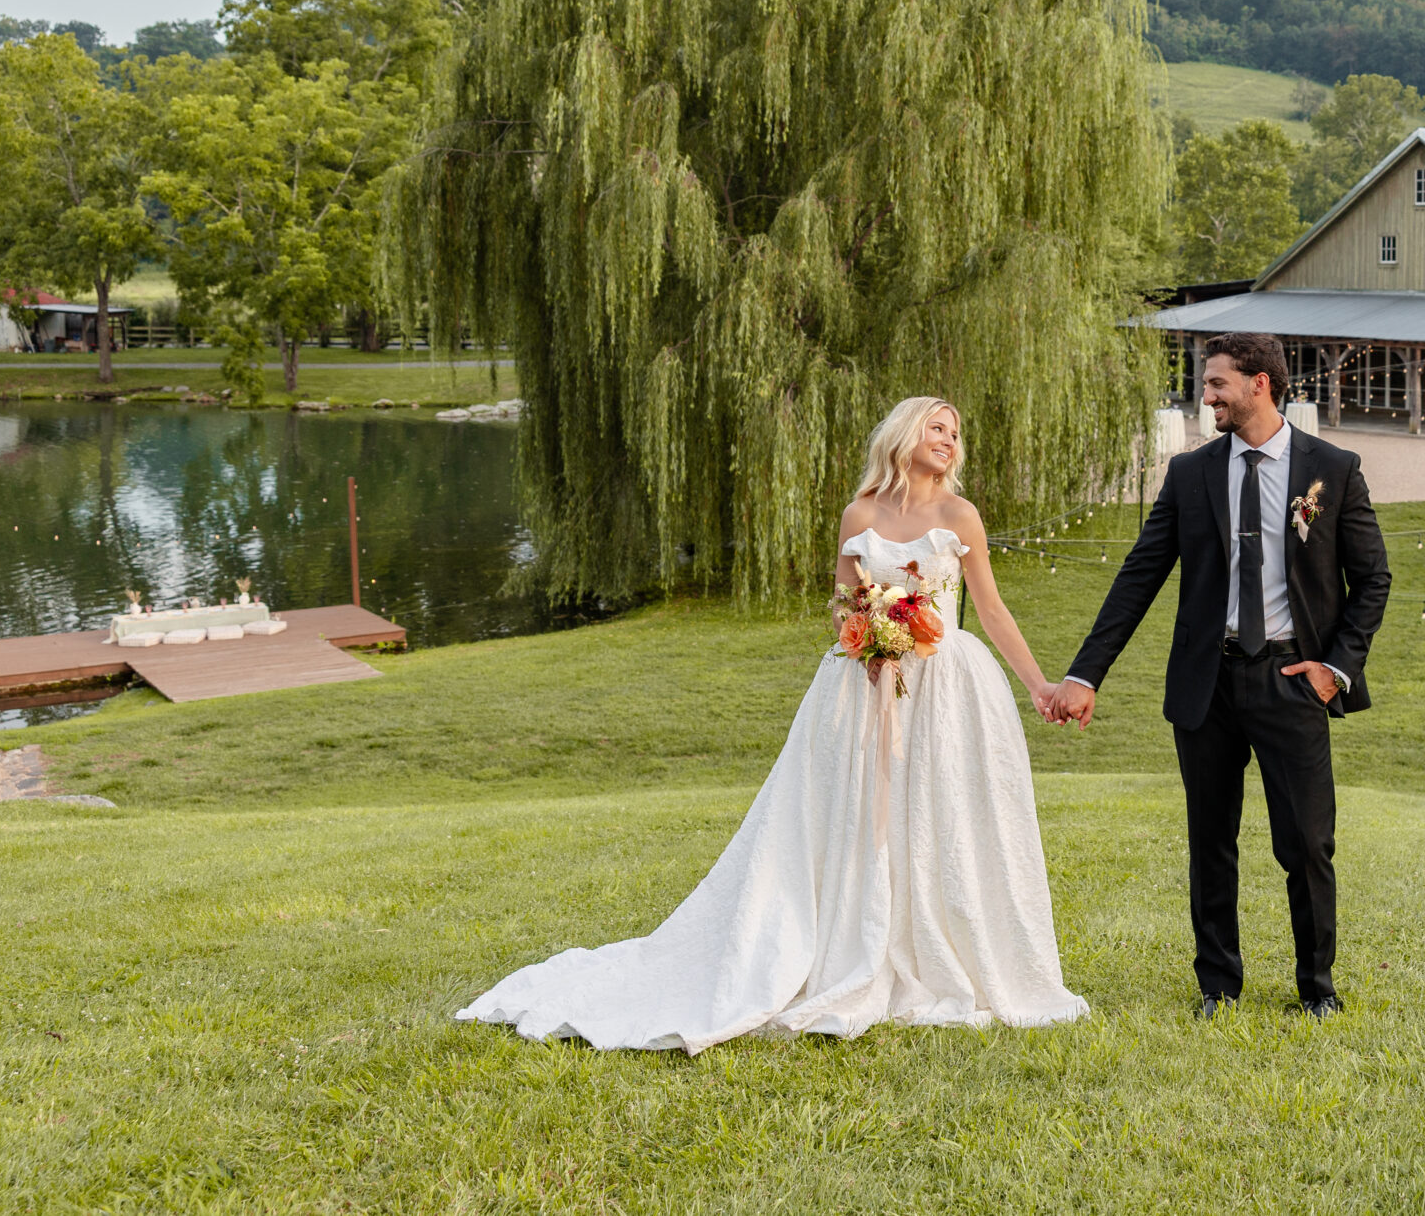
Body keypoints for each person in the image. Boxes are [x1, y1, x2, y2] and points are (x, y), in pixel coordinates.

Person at [457, 397, 1087, 1052]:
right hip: (863, 684)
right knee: (855, 813)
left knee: (936, 811)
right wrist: (870, 643)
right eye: (937, 427)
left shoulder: (961, 516)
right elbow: (843, 604)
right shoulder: (861, 513)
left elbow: (991, 609)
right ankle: (849, 940)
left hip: (944, 686)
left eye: (955, 433)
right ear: (904, 432)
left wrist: (1039, 683)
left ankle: (936, 945)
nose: (949, 440)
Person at [1049, 332, 1390, 1020]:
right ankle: (1218, 988)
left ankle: (1317, 989)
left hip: (1292, 679)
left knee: (1306, 843)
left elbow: (1373, 579)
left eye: (1216, 384)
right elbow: (1139, 577)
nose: (1205, 397)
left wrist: (1334, 669)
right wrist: (1087, 673)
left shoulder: (1332, 469)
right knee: (1211, 840)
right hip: (1207, 684)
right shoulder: (1190, 473)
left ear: (1259, 383)